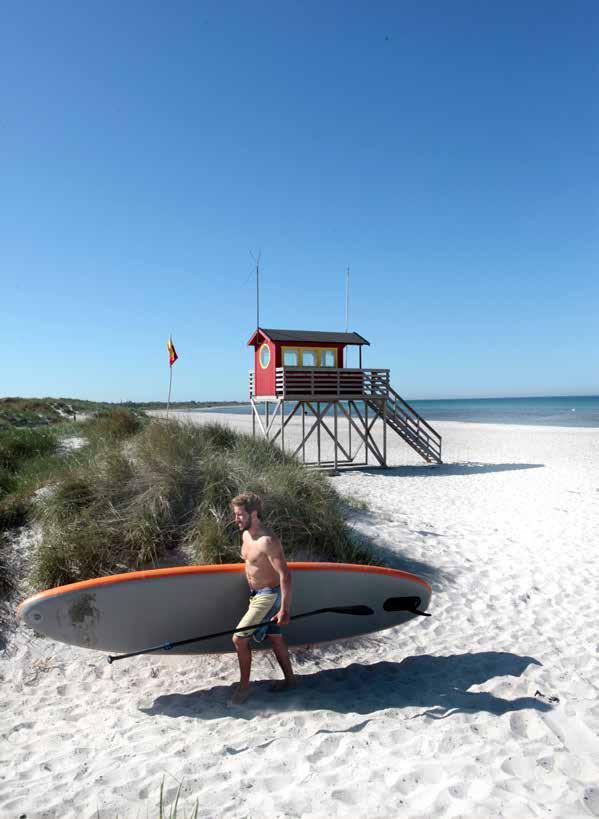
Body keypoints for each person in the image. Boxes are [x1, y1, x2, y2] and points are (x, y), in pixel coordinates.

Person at [230, 492, 295, 704]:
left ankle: (244, 688)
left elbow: (285, 575)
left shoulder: (268, 541)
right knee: (275, 638)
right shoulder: (246, 535)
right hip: (255, 595)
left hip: (268, 596)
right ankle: (291, 681)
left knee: (239, 639)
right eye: (235, 514)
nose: (236, 519)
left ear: (253, 514)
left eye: (239, 515)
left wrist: (284, 608)